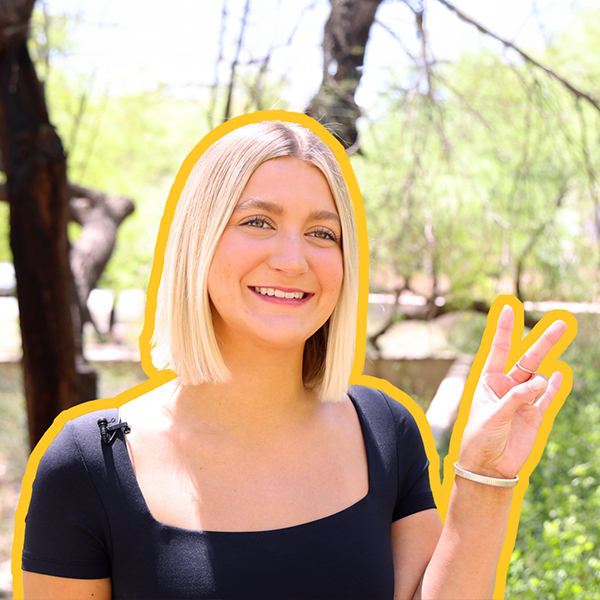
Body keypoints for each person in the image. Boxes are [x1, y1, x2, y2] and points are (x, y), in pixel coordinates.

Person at [18, 112, 571, 600]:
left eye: (322, 233)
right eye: (258, 221)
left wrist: (484, 477)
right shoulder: (89, 464)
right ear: (199, 242)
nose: (292, 259)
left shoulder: (384, 430)